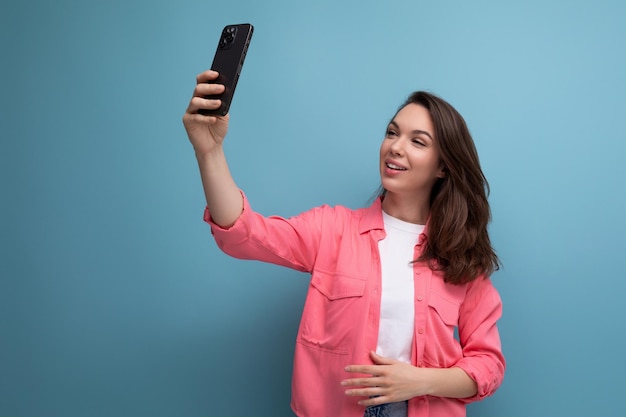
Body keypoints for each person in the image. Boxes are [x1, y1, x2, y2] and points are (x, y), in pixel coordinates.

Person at [182, 69, 505, 417]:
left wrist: (419, 381)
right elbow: (245, 235)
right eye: (392, 132)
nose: (395, 147)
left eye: (418, 141)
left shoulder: (460, 258)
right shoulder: (332, 229)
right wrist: (209, 152)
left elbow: (487, 365)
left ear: (442, 167)